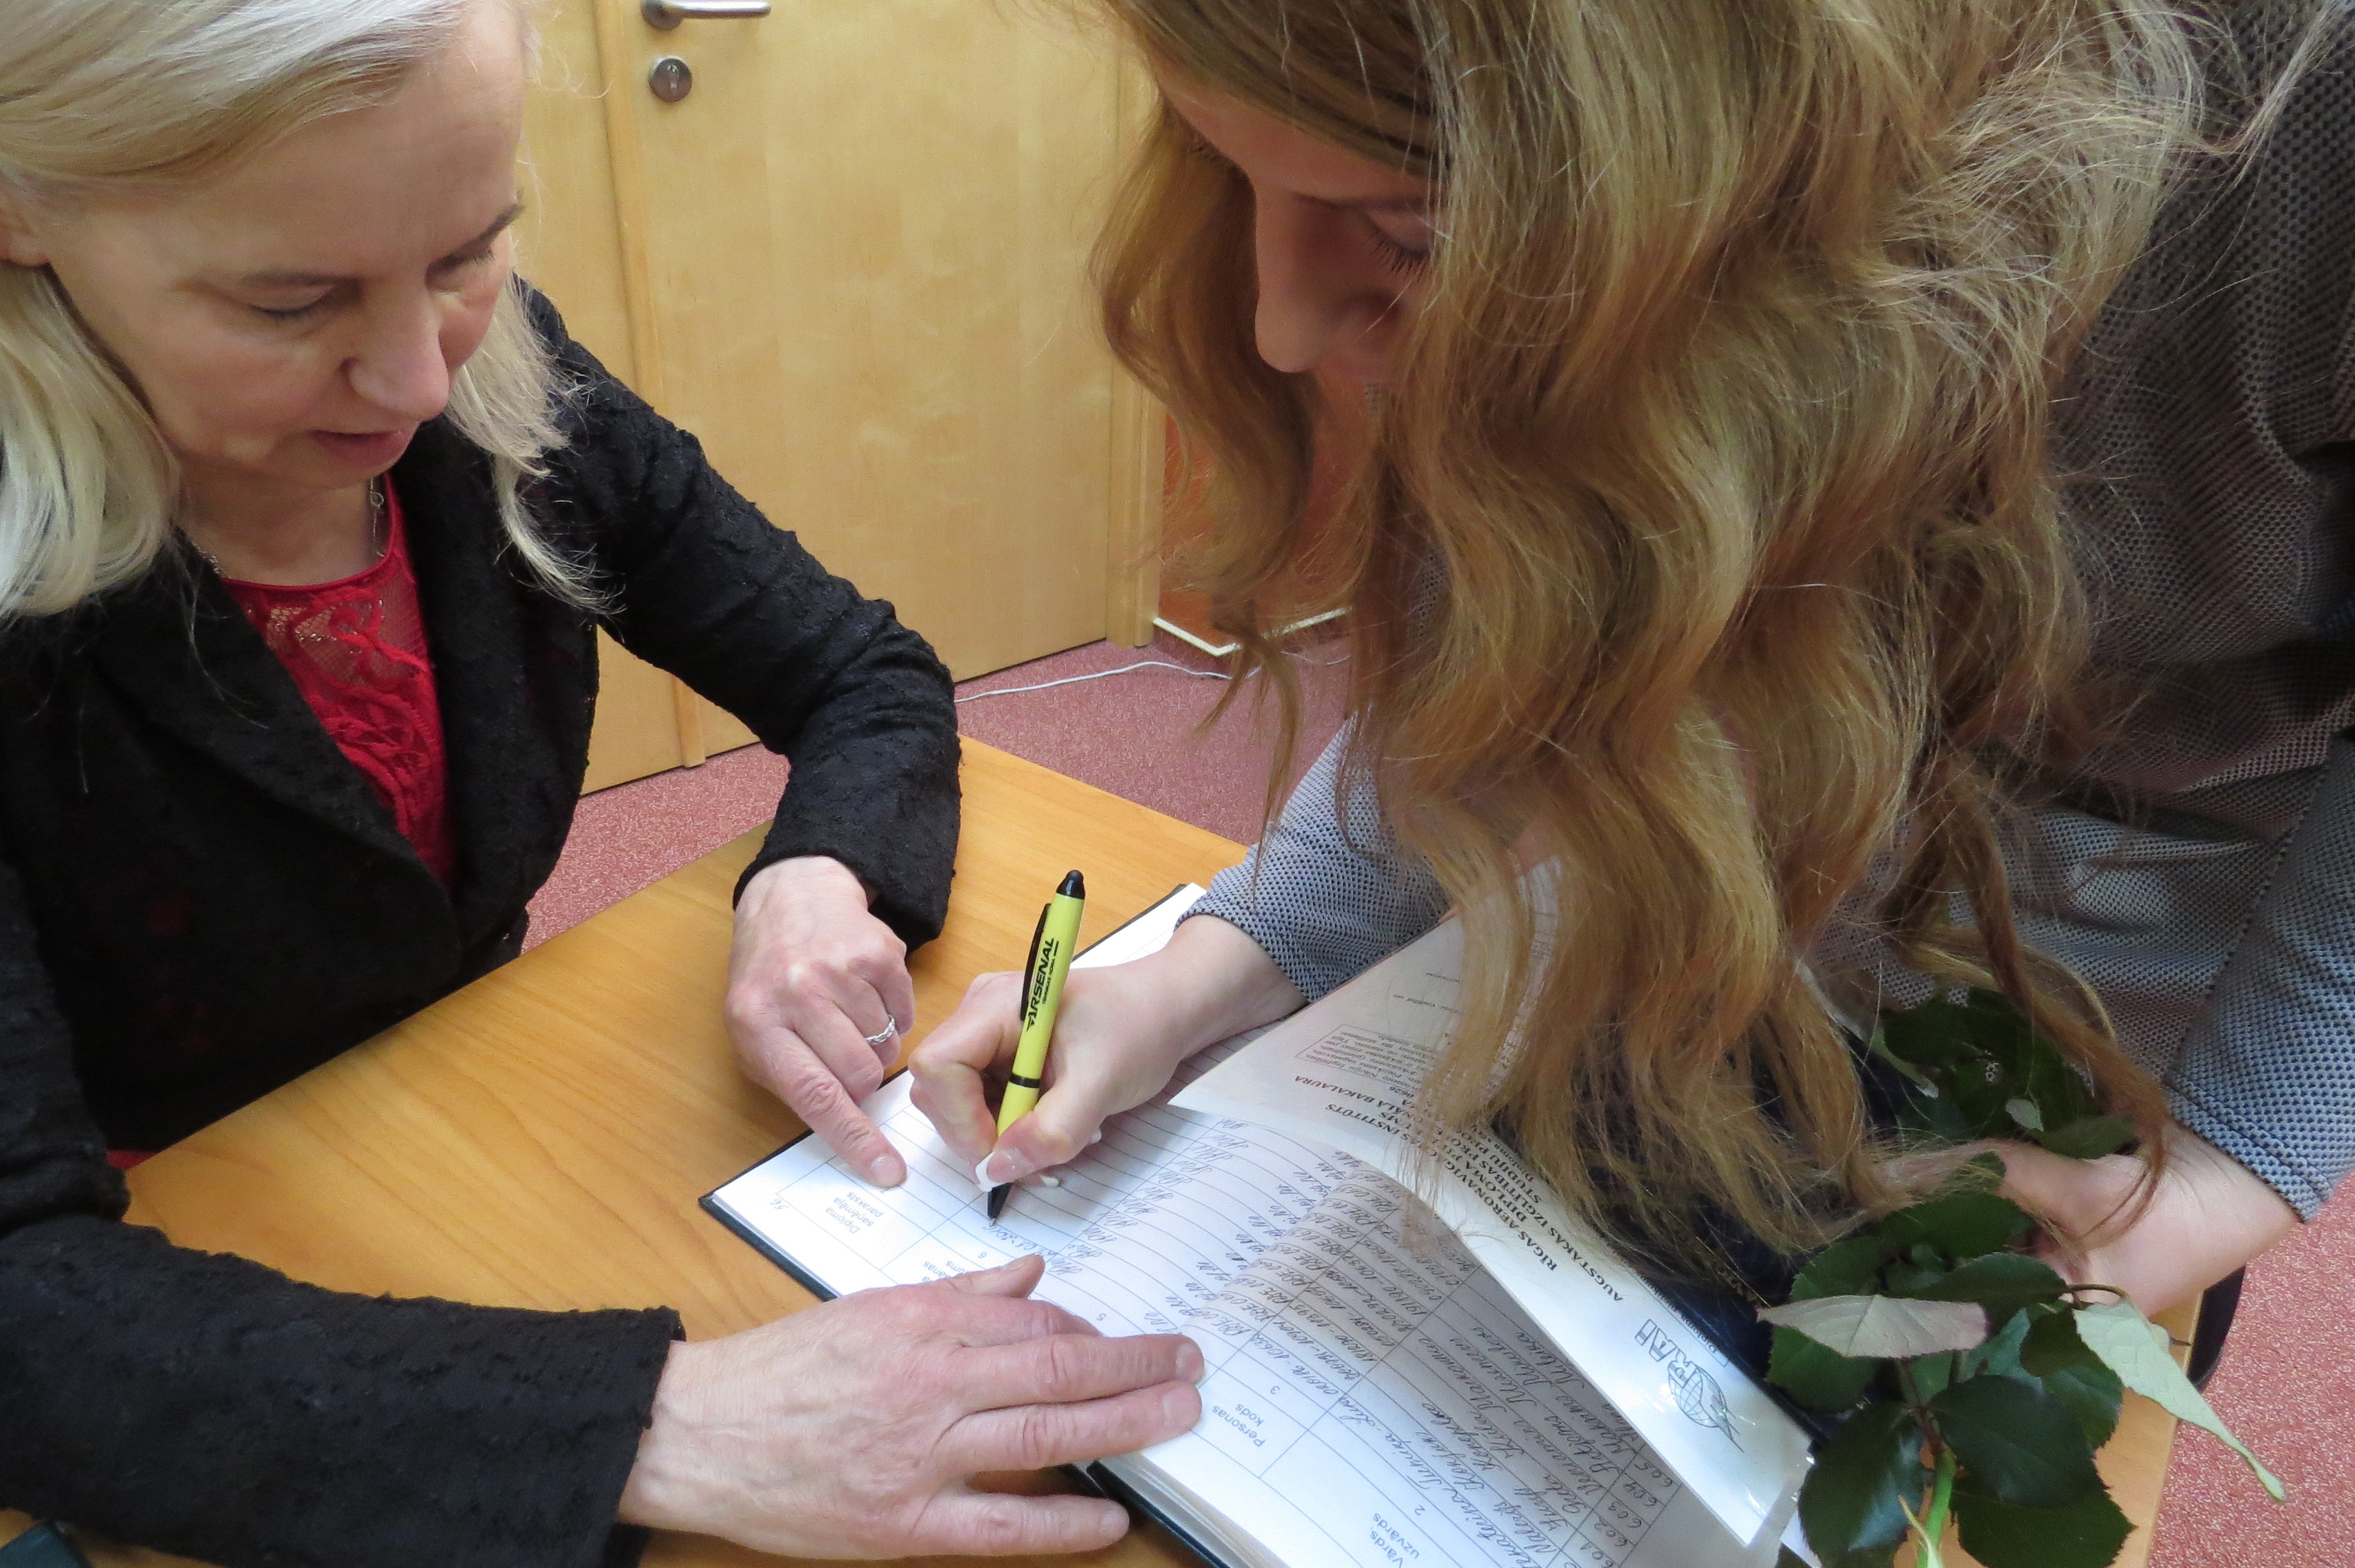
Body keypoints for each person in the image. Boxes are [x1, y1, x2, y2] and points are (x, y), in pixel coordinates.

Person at [913, 0, 2354, 1341]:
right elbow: (1526, 621)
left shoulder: (2307, 120)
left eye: (1410, 232)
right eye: (1234, 174)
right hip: (1686, 908)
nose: (1277, 328)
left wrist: (2230, 1164)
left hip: (2139, 978)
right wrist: (1222, 965)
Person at [0, 2, 1200, 1564]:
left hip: (450, 1130)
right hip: (162, 1263)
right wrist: (650, 1426)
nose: (416, 380)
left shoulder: (499, 379)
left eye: (466, 250)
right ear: (21, 208)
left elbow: (859, 672)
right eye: (290, 299)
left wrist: (817, 873)